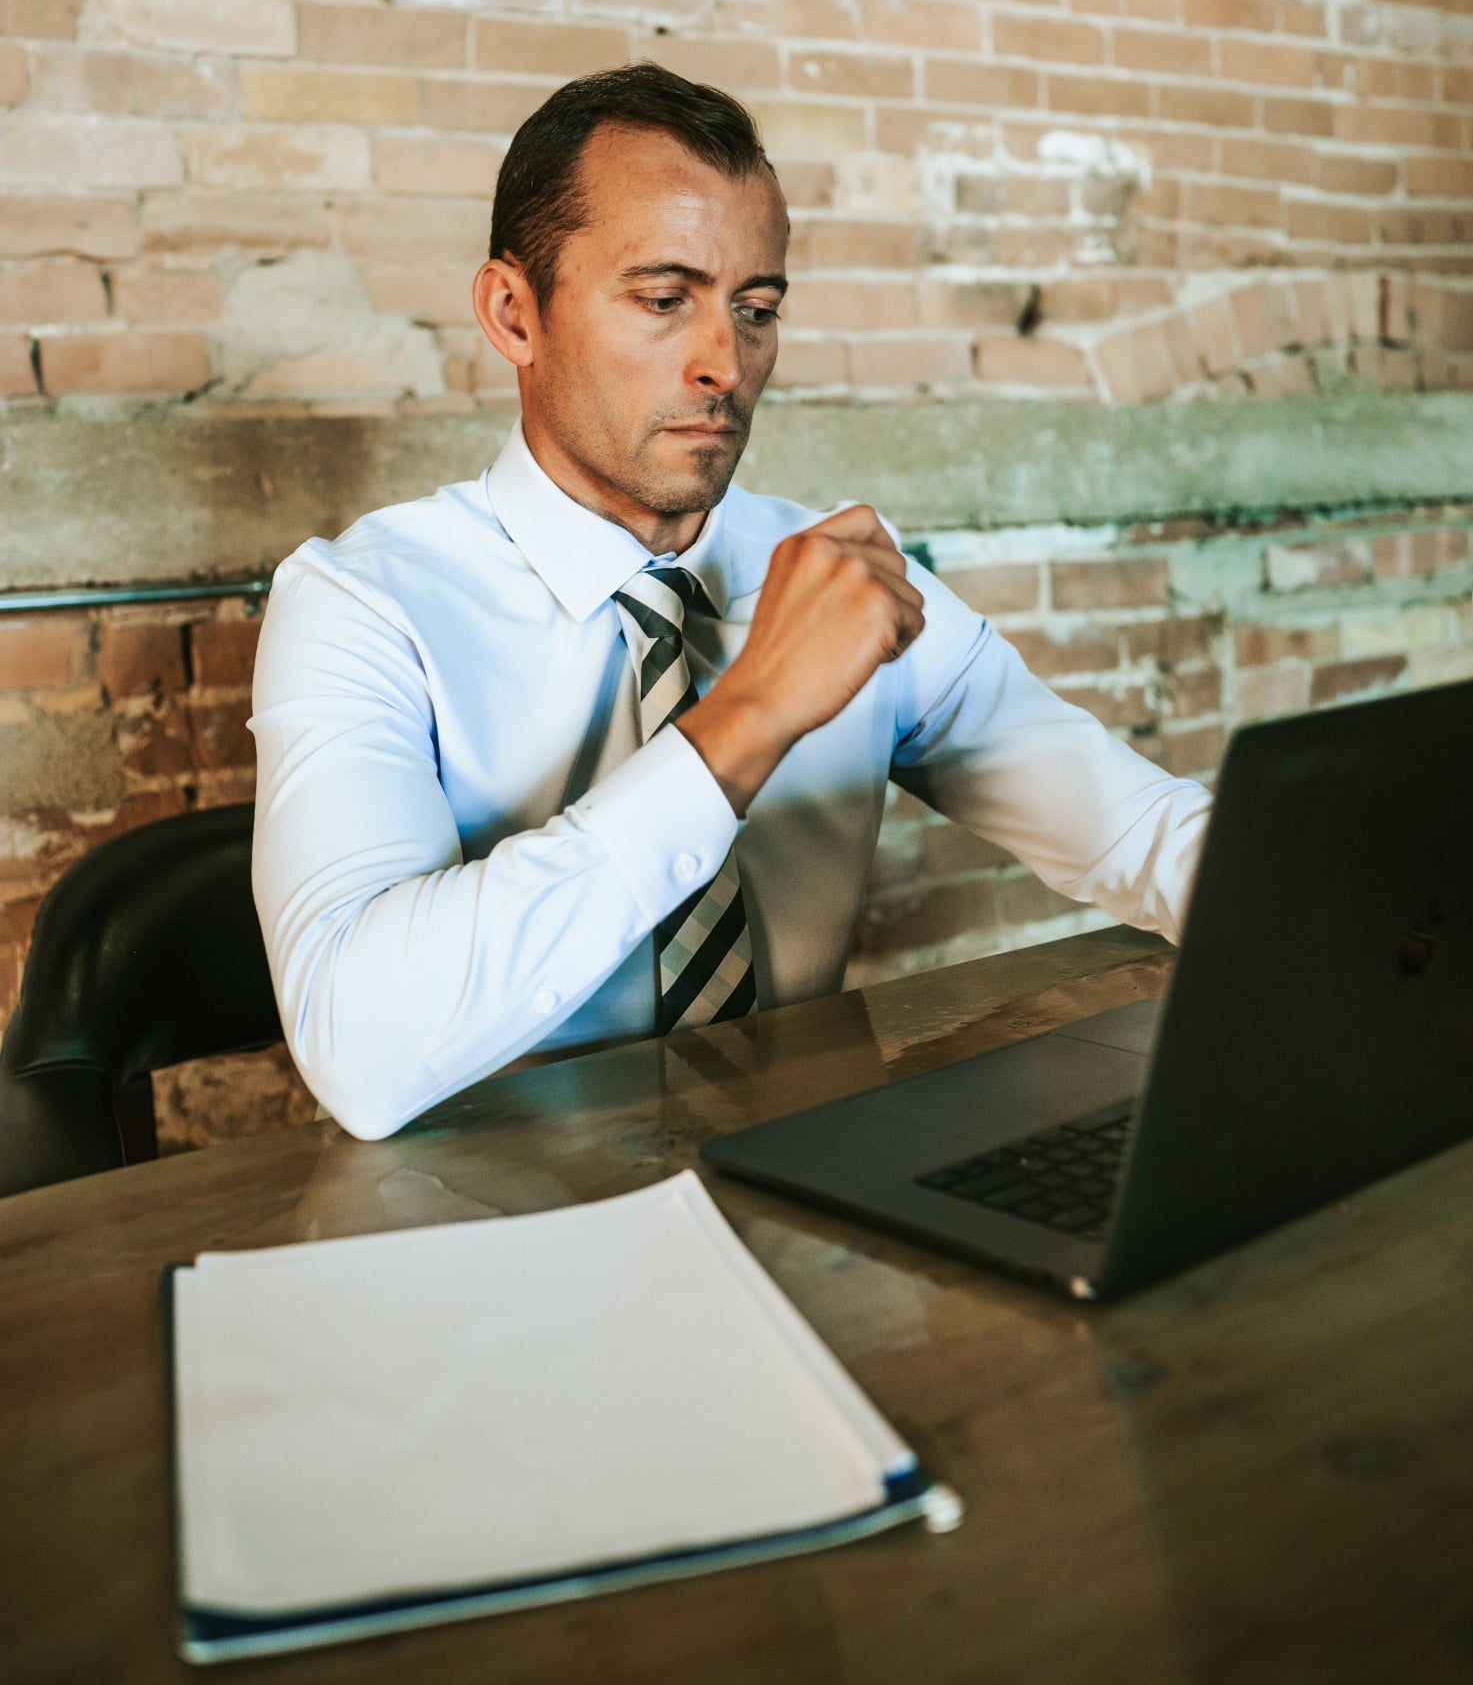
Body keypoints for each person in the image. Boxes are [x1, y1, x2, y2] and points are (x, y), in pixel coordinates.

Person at [251, 64, 1210, 1141]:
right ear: (514, 313)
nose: (725, 363)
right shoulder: (362, 602)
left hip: (800, 1187)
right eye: (664, 301)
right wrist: (747, 717)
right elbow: (358, 1047)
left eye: (755, 309)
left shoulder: (837, 571)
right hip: (489, 1229)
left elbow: (1144, 833)